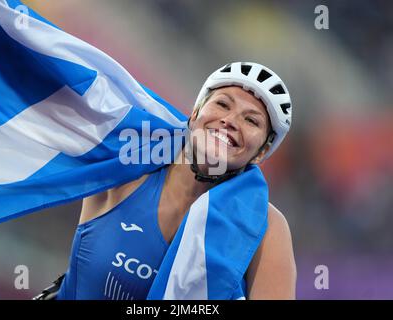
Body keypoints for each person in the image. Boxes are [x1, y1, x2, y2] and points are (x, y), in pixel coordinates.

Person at [54, 62, 296, 300]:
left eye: (251, 120)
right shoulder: (124, 170)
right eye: (222, 104)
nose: (230, 121)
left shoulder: (266, 227)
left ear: (262, 151)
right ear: (194, 115)